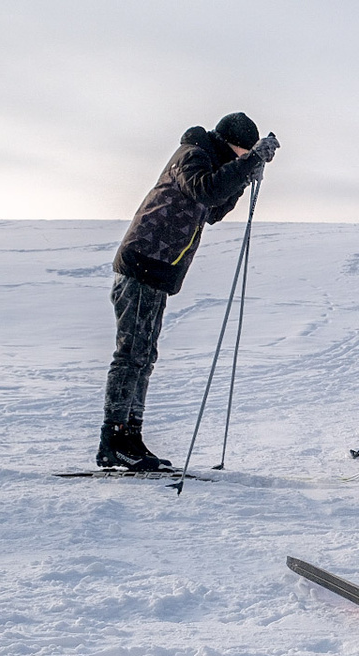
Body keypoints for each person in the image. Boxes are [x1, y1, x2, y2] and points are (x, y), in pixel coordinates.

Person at [97, 112, 278, 470]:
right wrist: (251, 162)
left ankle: (131, 437)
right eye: (242, 153)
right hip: (142, 261)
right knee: (131, 355)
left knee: (144, 356)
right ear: (229, 144)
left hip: (159, 268)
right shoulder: (193, 154)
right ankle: (113, 438)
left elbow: (214, 209)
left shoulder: (212, 162)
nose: (243, 159)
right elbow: (206, 189)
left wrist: (245, 176)